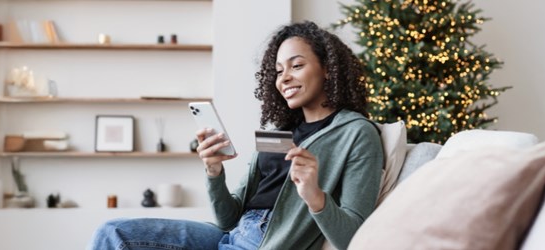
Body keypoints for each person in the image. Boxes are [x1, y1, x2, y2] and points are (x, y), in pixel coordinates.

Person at [88, 21, 384, 250]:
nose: (284, 78)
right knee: (112, 233)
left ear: (328, 70)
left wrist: (315, 197)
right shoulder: (278, 132)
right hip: (232, 234)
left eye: (297, 65)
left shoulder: (357, 133)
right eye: (278, 71)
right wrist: (214, 172)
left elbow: (353, 238)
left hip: (266, 243)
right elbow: (228, 219)